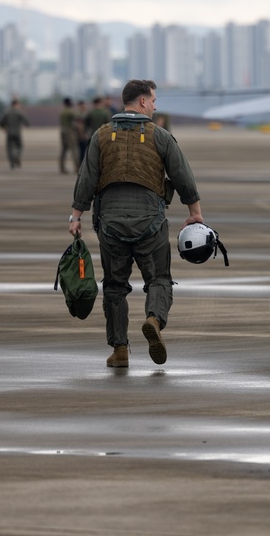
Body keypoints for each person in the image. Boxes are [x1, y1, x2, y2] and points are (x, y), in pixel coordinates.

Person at [69, 79, 203, 368]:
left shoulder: (101, 136)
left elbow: (86, 179)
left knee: (115, 286)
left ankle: (119, 350)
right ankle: (153, 319)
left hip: (110, 223)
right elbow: (182, 175)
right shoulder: (161, 136)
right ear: (142, 102)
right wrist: (194, 212)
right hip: (150, 223)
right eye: (153, 100)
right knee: (158, 279)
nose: (155, 105)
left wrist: (76, 216)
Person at [0, 98, 30, 169]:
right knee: (20, 146)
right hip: (17, 133)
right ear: (16, 104)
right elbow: (26, 121)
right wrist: (27, 125)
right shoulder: (19, 112)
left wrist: (4, 127)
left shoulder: (6, 112)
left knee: (9, 148)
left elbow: (1, 122)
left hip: (9, 133)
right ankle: (17, 157)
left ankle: (12, 162)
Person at [59, 97, 80, 174]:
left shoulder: (62, 112)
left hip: (63, 131)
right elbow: (78, 119)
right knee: (74, 149)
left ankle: (62, 168)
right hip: (70, 132)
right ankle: (77, 168)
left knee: (64, 150)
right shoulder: (71, 112)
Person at [76, 99, 90, 163]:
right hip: (81, 135)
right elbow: (79, 126)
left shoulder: (85, 113)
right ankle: (81, 165)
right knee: (82, 151)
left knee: (84, 151)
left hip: (84, 134)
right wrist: (82, 135)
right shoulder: (80, 114)